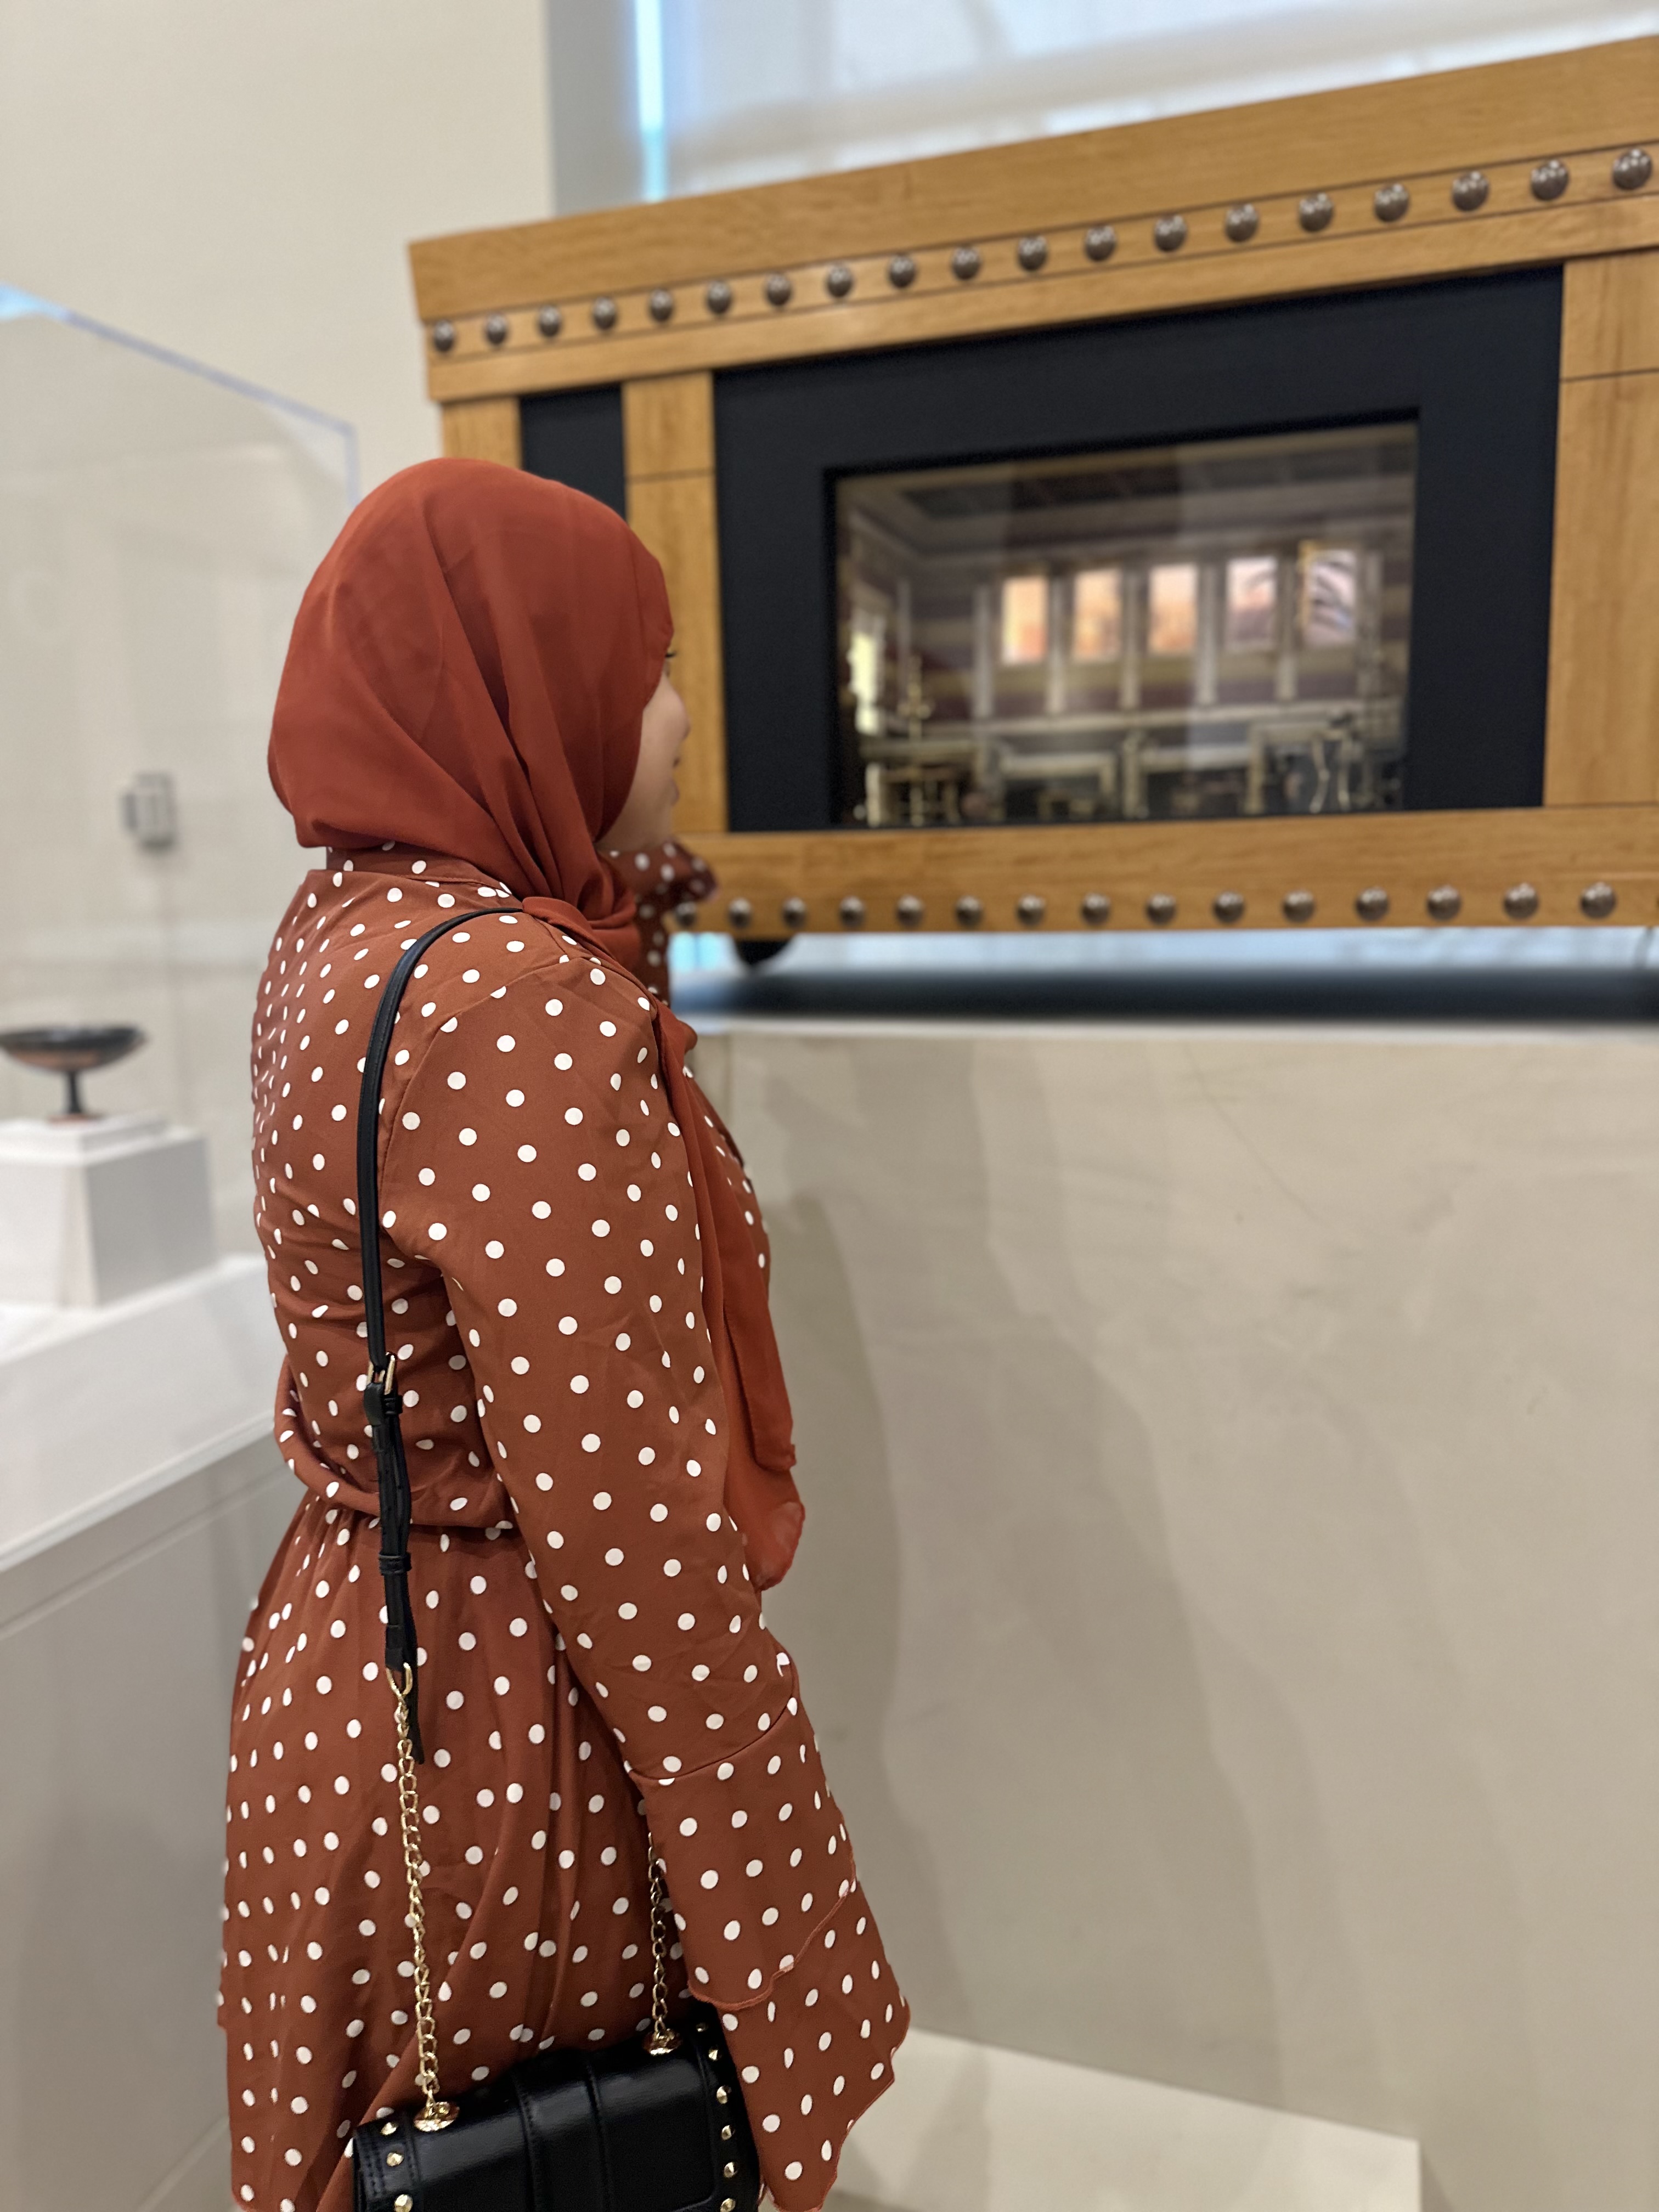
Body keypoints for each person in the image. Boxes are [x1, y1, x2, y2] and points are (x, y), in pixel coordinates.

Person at [223, 458, 907, 2212]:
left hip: (358, 1670)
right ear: (529, 682)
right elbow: (628, 1526)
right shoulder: (511, 995)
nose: (674, 713)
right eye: (649, 662)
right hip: (521, 1720)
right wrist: (795, 1941)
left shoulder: (346, 932)